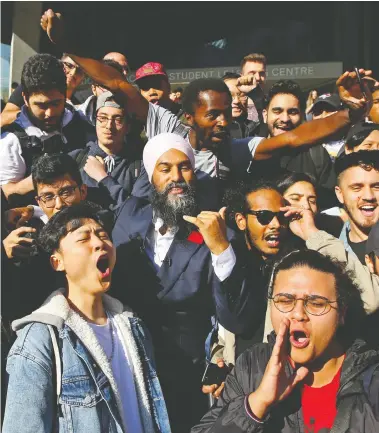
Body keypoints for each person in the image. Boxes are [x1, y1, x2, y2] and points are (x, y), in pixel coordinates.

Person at [40, 9, 370, 211]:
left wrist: (349, 114)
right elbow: (119, 85)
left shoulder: (235, 151)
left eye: (226, 112)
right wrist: (67, 46)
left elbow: (293, 140)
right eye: (213, 115)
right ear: (189, 118)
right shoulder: (165, 126)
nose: (224, 121)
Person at [111, 133, 252, 432]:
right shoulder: (131, 215)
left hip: (186, 374)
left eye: (184, 167)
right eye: (165, 168)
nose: (177, 177)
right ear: (151, 176)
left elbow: (236, 318)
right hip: (128, 366)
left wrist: (220, 250)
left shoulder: (215, 231)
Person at [3, 203, 171, 433]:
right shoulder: (39, 342)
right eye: (83, 239)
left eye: (102, 235)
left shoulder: (134, 327)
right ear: (57, 262)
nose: (99, 243)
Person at [191, 249, 379, 433]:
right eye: (285, 301)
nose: (298, 314)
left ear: (342, 313)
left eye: (316, 303)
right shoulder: (251, 367)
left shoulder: (370, 381)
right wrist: (256, 405)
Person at [0, 54, 87, 207]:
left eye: (56, 103)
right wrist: (42, 178)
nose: (50, 113)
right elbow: (8, 193)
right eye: (41, 105)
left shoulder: (79, 121)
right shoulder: (12, 140)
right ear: (25, 98)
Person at [70, 91, 142, 209]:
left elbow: (138, 211)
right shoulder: (76, 159)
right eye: (102, 118)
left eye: (117, 119)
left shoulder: (139, 166)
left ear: (128, 126)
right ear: (95, 121)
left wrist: (103, 178)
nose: (109, 126)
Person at [0, 54, 85, 128]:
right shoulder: (34, 87)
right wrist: (32, 115)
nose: (73, 73)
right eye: (69, 65)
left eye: (79, 71)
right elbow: (3, 118)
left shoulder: (78, 105)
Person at [335, 150, 379, 264]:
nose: (368, 196)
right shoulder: (329, 258)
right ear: (340, 194)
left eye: (376, 187)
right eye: (357, 188)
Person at [222, 72, 260, 139]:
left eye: (241, 95)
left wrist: (255, 90)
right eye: (230, 96)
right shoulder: (213, 130)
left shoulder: (255, 128)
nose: (236, 101)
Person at [310, 93, 345, 161]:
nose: (324, 116)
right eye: (318, 112)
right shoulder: (308, 150)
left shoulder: (359, 139)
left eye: (330, 109)